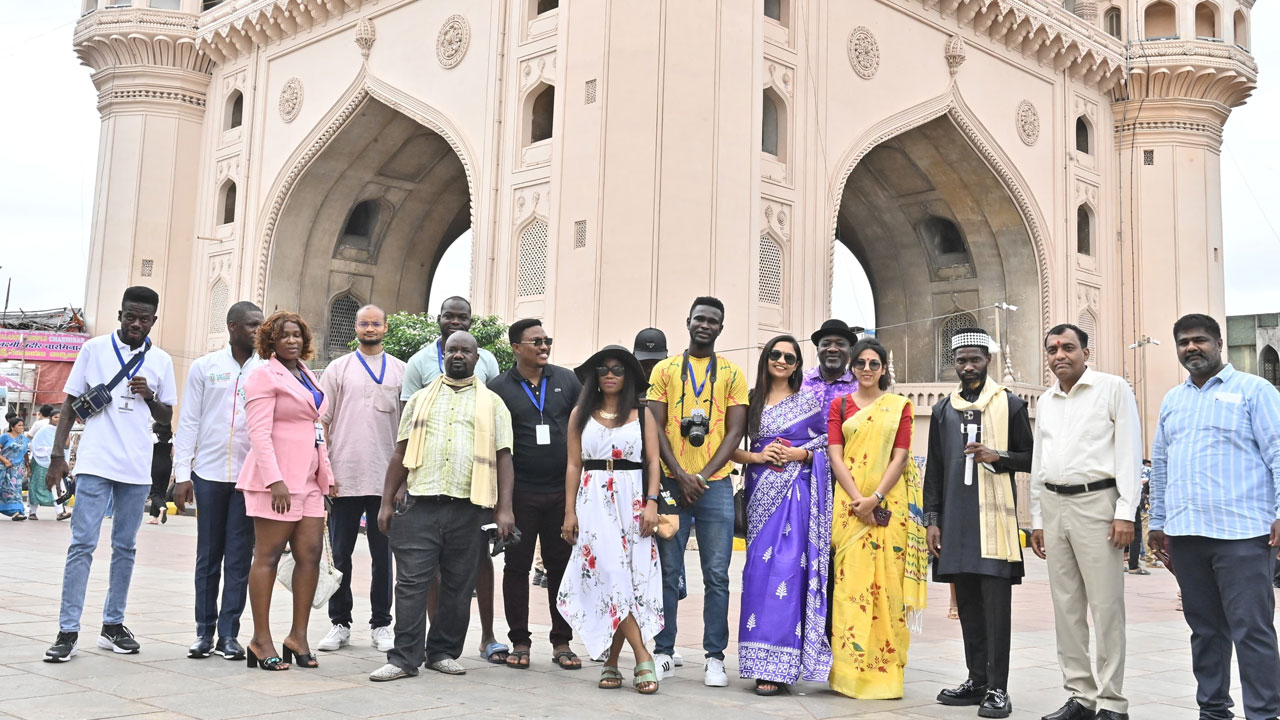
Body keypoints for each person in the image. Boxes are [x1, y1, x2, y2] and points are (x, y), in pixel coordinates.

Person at [1148, 313, 1280, 720]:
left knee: (1252, 631)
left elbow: (1277, 452)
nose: (1192, 347)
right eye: (1184, 342)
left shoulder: (1254, 391)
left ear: (1219, 343)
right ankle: (1213, 709)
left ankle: (1264, 712)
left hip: (1243, 536)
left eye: (1200, 340)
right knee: (1205, 631)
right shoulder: (1174, 400)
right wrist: (1157, 522)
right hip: (1187, 536)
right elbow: (1163, 463)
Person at [368, 330, 516, 682]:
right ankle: (404, 657)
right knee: (411, 583)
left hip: (470, 506)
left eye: (466, 351)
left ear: (477, 359)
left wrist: (505, 509)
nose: (459, 355)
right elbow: (401, 452)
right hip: (421, 503)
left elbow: (504, 458)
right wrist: (386, 501)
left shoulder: (493, 404)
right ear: (443, 356)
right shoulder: (420, 399)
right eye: (452, 350)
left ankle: (442, 652)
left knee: (458, 585)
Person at [43, 286, 177, 662]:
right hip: (95, 462)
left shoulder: (161, 360)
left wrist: (150, 396)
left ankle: (112, 625)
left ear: (154, 320)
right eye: (130, 316)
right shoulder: (94, 349)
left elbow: (166, 418)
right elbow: (70, 404)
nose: (136, 324)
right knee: (82, 545)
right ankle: (67, 630)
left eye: (144, 318)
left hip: (136, 466)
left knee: (126, 548)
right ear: (120, 315)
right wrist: (57, 454)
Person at [1028, 324, 1142, 720]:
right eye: (1053, 349)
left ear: (1086, 352)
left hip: (1098, 504)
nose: (1060, 355)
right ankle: (1081, 695)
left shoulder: (1112, 389)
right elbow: (1038, 463)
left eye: (1068, 347)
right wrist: (1038, 517)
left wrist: (1125, 511)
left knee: (1106, 605)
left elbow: (1129, 451)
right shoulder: (1046, 401)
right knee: (1066, 607)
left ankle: (1111, 701)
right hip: (1055, 504)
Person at [922, 328, 1033, 718]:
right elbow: (933, 470)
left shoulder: (1012, 405)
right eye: (961, 360)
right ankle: (976, 680)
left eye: (976, 359)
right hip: (956, 522)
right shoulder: (942, 410)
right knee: (967, 604)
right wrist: (932, 519)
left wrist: (997, 455)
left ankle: (998, 688)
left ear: (989, 360)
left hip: (994, 526)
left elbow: (1031, 458)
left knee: (995, 607)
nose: (968, 367)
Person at [647, 296, 749, 686]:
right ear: (688, 321)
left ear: (721, 328)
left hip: (717, 483)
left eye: (713, 321)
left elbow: (735, 430)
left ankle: (714, 657)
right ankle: (664, 650)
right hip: (673, 486)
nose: (705, 325)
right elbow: (654, 425)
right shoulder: (666, 369)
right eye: (700, 319)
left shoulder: (731, 373)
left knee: (717, 574)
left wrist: (702, 476)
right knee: (668, 572)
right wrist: (679, 473)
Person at [401, 296, 504, 660]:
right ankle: (420, 647)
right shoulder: (419, 369)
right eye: (450, 317)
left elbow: (500, 440)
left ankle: (479, 638)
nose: (456, 323)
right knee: (421, 572)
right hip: (427, 489)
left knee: (468, 571)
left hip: (472, 494)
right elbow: (404, 435)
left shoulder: (488, 367)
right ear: (439, 320)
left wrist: (501, 506)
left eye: (463, 318)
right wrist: (397, 488)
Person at [557, 345, 664, 694]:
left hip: (633, 500)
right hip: (593, 500)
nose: (610, 374)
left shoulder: (643, 414)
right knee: (611, 573)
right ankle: (642, 656)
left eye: (618, 369)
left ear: (628, 376)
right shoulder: (579, 415)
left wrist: (651, 503)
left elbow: (653, 462)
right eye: (603, 368)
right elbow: (574, 465)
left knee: (629, 581)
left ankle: (612, 663)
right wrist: (569, 511)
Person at [730, 335, 832, 696]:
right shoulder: (750, 401)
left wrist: (799, 456)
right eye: (776, 354)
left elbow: (825, 448)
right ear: (766, 358)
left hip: (797, 497)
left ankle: (783, 665)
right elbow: (728, 449)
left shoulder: (807, 402)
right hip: (761, 498)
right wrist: (759, 457)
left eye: (790, 357)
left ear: (797, 364)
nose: (782, 361)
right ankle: (759, 663)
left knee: (789, 569)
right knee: (758, 573)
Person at [827, 337, 927, 699]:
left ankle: (886, 677)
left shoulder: (899, 407)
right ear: (852, 367)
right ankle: (849, 674)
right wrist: (859, 500)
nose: (867, 369)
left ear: (884, 369)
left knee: (888, 591)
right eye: (861, 363)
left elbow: (900, 458)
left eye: (874, 364)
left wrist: (876, 498)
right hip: (850, 508)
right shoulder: (840, 405)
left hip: (888, 508)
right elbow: (835, 456)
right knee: (850, 589)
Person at [236, 311, 335, 672]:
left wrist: (327, 472)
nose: (292, 341)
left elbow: (315, 426)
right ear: (271, 342)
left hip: (309, 480)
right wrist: (274, 479)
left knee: (310, 555)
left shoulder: (307, 374)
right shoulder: (264, 375)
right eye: (285, 336)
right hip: (275, 482)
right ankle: (261, 640)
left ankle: (298, 636)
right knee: (268, 556)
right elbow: (258, 433)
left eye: (297, 335)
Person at [172, 300, 265, 660]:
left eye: (261, 325)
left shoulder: (268, 369)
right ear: (232, 327)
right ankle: (203, 632)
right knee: (208, 557)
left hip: (248, 478)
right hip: (208, 474)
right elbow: (189, 422)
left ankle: (229, 635)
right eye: (252, 325)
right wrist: (183, 474)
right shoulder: (205, 367)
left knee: (239, 558)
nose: (258, 331)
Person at [487, 319, 582, 669]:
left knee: (561, 567)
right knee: (516, 568)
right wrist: (502, 505)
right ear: (516, 348)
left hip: (561, 491)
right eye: (536, 342)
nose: (544, 347)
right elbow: (496, 447)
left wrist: (576, 500)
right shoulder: (498, 388)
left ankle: (562, 641)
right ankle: (520, 642)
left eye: (547, 341)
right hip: (520, 494)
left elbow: (581, 430)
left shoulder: (567, 380)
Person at [315, 305, 406, 655]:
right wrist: (326, 471)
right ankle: (340, 623)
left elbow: (408, 426)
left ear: (385, 326)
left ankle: (382, 624)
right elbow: (322, 422)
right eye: (364, 323)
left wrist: (402, 481)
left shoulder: (401, 370)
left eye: (375, 323)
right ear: (356, 327)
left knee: (384, 556)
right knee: (341, 553)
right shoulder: (339, 369)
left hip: (387, 478)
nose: (370, 328)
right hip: (344, 476)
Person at [804, 319, 861, 410]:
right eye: (826, 344)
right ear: (817, 350)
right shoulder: (800, 382)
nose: (832, 349)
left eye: (840, 344)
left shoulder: (859, 386)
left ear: (850, 351)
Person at [28, 409, 69, 521]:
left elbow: (66, 447)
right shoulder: (44, 430)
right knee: (36, 486)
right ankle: (32, 512)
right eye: (56, 417)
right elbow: (34, 446)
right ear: (50, 418)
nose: (58, 419)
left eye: (60, 417)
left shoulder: (62, 431)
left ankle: (60, 512)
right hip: (41, 462)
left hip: (56, 464)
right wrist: (49, 451)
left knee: (57, 486)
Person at [1, 417, 30, 520]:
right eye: (19, 425)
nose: (21, 427)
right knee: (4, 489)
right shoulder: (5, 437)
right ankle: (14, 511)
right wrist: (5, 461)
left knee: (15, 489)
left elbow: (25, 453)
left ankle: (16, 512)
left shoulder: (24, 439)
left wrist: (28, 466)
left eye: (22, 425)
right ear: (12, 427)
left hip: (17, 469)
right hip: (4, 468)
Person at [1127, 461, 1153, 575]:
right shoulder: (1146, 470)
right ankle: (1133, 565)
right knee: (1137, 533)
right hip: (1137, 502)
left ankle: (1123, 560)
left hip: (1121, 501)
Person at [146, 422, 173, 525]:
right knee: (162, 490)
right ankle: (154, 517)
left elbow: (148, 451)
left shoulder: (154, 437)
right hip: (167, 465)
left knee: (153, 491)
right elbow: (173, 453)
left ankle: (162, 507)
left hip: (155, 465)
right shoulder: (171, 438)